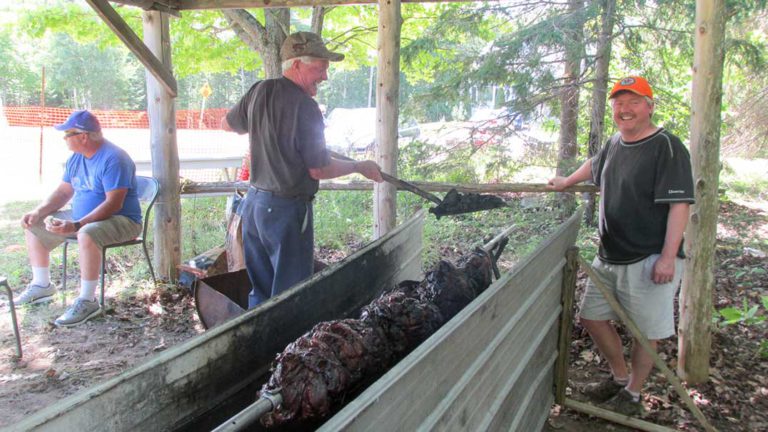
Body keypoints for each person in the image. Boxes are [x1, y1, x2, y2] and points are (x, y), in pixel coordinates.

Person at [547, 76, 694, 416]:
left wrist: (668, 258)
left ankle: (633, 394)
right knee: (592, 317)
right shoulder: (615, 142)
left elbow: (680, 206)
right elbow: (595, 165)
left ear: (649, 106)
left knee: (645, 332)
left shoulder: (667, 147)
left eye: (633, 102)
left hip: (650, 257)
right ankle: (619, 377)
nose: (624, 110)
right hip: (609, 255)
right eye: (619, 103)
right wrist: (567, 181)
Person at [223, 32, 384, 308]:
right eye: (319, 68)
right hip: (286, 212)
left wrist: (267, 130)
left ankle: (258, 345)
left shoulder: (259, 91)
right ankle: (287, 347)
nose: (324, 77)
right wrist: (359, 166)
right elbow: (319, 170)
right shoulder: (306, 108)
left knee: (261, 293)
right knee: (290, 296)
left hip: (254, 206)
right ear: (295, 64)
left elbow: (228, 125)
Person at [16, 110, 142, 327]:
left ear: (83, 136)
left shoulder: (114, 158)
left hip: (123, 221)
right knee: (33, 224)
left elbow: (114, 204)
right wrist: (39, 211)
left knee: (86, 233)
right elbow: (64, 192)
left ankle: (87, 300)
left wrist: (76, 224)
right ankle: (41, 285)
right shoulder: (76, 158)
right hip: (82, 219)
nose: (64, 139)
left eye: (67, 134)